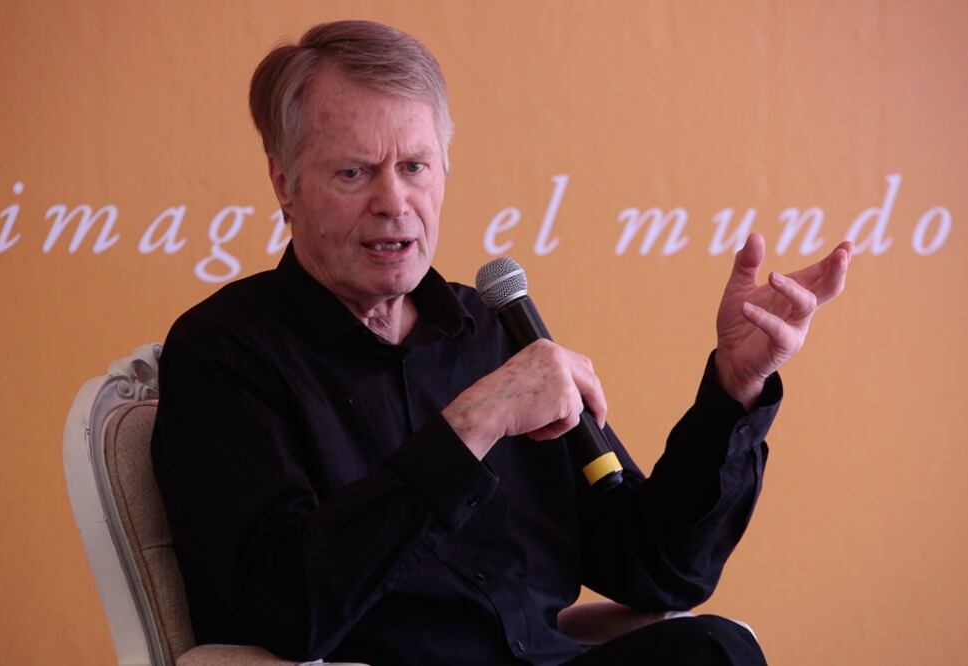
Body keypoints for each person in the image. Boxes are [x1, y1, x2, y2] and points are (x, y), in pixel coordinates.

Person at [151, 19, 851, 666]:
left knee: (714, 650)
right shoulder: (225, 354)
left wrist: (732, 393)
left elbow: (658, 568)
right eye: (353, 172)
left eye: (416, 167)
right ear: (284, 183)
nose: (394, 202)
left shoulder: (492, 330)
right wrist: (471, 424)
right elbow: (289, 608)